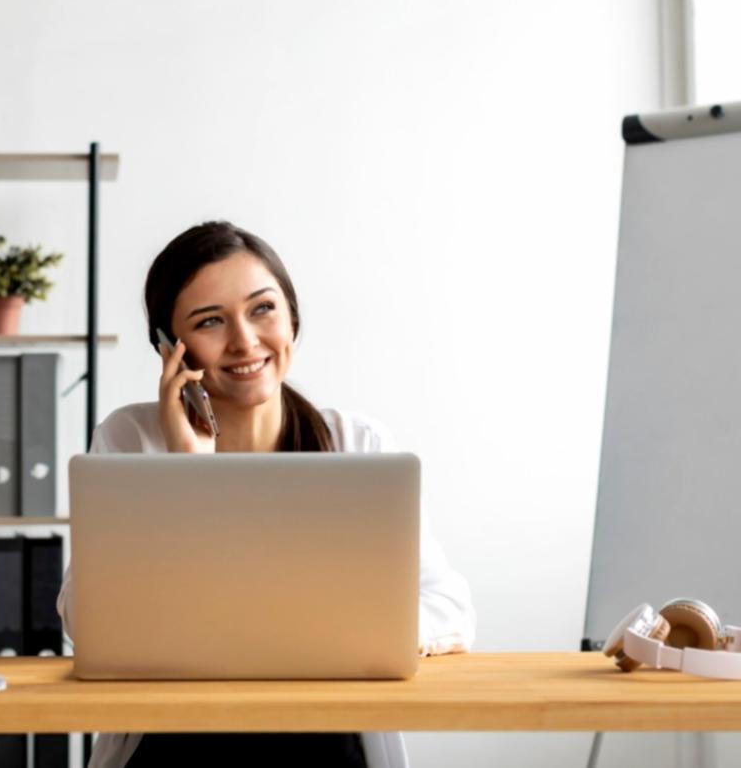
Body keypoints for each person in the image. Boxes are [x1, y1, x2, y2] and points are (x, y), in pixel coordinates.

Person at [57, 220, 477, 768]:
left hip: (326, 735)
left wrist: (332, 639)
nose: (245, 341)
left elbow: (449, 606)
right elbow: (87, 622)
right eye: (210, 321)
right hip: (177, 739)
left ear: (292, 318)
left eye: (262, 309)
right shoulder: (130, 439)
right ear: (170, 348)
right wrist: (191, 473)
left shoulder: (357, 442)